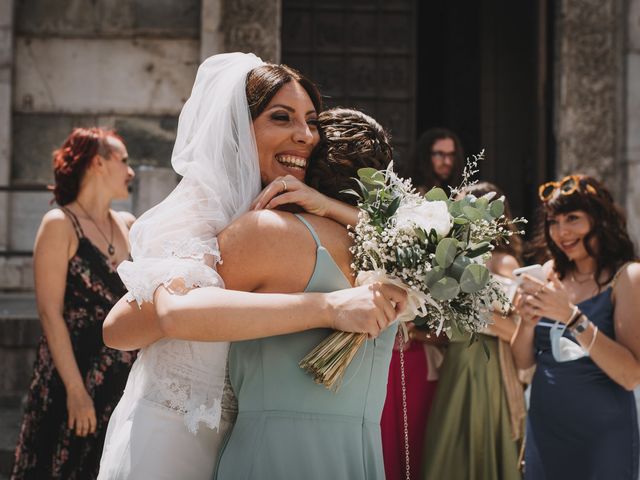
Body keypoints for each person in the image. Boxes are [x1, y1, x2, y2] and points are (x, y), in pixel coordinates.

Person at [98, 54, 405, 480]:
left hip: (240, 438)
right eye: (281, 117)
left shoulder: (283, 217)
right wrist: (328, 306)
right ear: (239, 128)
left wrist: (331, 206)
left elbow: (432, 238)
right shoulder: (201, 208)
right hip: (176, 436)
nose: (305, 136)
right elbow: (125, 327)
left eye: (312, 121)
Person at [11, 128, 137, 480]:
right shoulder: (59, 224)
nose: (131, 171)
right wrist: (76, 392)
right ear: (98, 163)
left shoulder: (129, 224)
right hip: (73, 374)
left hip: (123, 378)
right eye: (124, 161)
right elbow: (49, 315)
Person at [511, 174, 640, 479]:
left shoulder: (628, 278)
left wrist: (572, 317)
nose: (562, 231)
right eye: (554, 222)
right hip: (546, 431)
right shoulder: (549, 272)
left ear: (600, 220)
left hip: (604, 438)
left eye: (573, 218)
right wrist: (526, 322)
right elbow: (522, 361)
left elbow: (631, 375)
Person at [421, 182, 525, 480]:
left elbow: (514, 328)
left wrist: (466, 310)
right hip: (454, 363)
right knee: (447, 449)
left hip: (486, 367)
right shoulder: (451, 259)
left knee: (479, 448)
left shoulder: (504, 262)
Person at [380, 126, 464, 479]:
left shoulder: (461, 201)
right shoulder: (410, 199)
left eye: (450, 155)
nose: (445, 162)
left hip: (434, 336)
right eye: (438, 154)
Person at [405, 127, 464, 194]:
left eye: (451, 154)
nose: (447, 162)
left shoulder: (460, 190)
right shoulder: (412, 194)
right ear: (425, 155)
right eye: (439, 154)